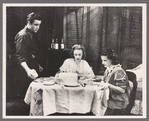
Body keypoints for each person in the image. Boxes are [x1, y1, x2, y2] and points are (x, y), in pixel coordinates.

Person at [13, 12, 43, 99]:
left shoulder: (32, 33)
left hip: (33, 66)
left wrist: (38, 65)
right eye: (36, 25)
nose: (38, 27)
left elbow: (32, 51)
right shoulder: (22, 36)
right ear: (29, 23)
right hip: (25, 69)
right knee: (26, 97)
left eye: (39, 25)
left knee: (34, 96)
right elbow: (20, 56)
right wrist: (28, 70)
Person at [100, 49, 130, 115]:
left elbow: (122, 90)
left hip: (119, 103)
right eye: (102, 60)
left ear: (111, 60)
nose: (102, 63)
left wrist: (108, 85)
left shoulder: (119, 71)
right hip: (111, 101)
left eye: (105, 60)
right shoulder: (107, 70)